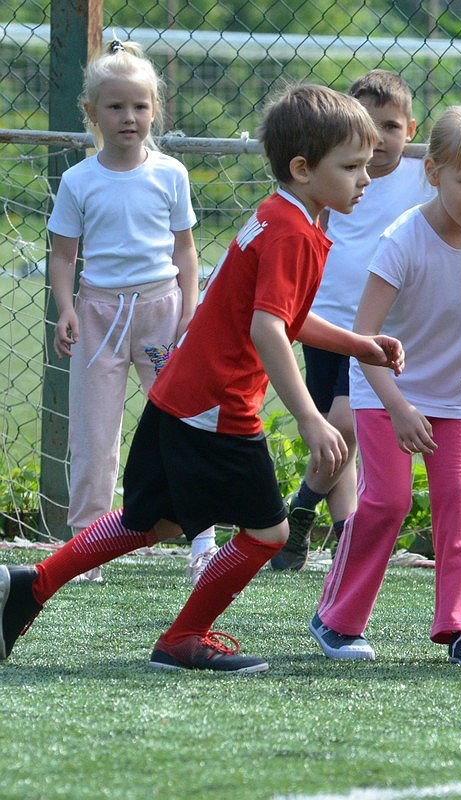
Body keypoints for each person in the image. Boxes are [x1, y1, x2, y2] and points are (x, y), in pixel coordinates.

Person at [0, 84, 403, 673]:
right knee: (268, 534)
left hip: (182, 394)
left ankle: (28, 585)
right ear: (302, 168)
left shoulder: (282, 214)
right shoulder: (293, 233)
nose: (365, 179)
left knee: (153, 521)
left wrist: (357, 343)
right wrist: (310, 417)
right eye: (351, 167)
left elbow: (281, 317)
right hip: (216, 406)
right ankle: (184, 637)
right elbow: (270, 330)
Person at [309, 104, 461, 668]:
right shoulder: (403, 240)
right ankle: (336, 620)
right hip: (383, 389)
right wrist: (400, 408)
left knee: (459, 505)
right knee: (388, 500)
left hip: (454, 397)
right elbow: (364, 338)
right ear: (433, 172)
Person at [45, 40, 217, 585]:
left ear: (154, 111)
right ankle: (86, 543)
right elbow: (63, 253)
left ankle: (203, 537)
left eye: (140, 106)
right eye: (115, 107)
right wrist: (67, 309)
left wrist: (190, 310)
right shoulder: (79, 180)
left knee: (184, 423)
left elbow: (185, 248)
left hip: (161, 313)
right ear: (92, 113)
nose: (129, 117)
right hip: (97, 316)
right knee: (94, 433)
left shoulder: (171, 174)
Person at [271, 69, 434, 571]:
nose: (380, 138)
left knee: (346, 422)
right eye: (368, 124)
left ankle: (302, 509)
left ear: (410, 129)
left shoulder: (421, 174)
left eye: (391, 126)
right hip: (323, 320)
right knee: (338, 426)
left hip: (381, 331)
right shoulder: (331, 173)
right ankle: (344, 530)